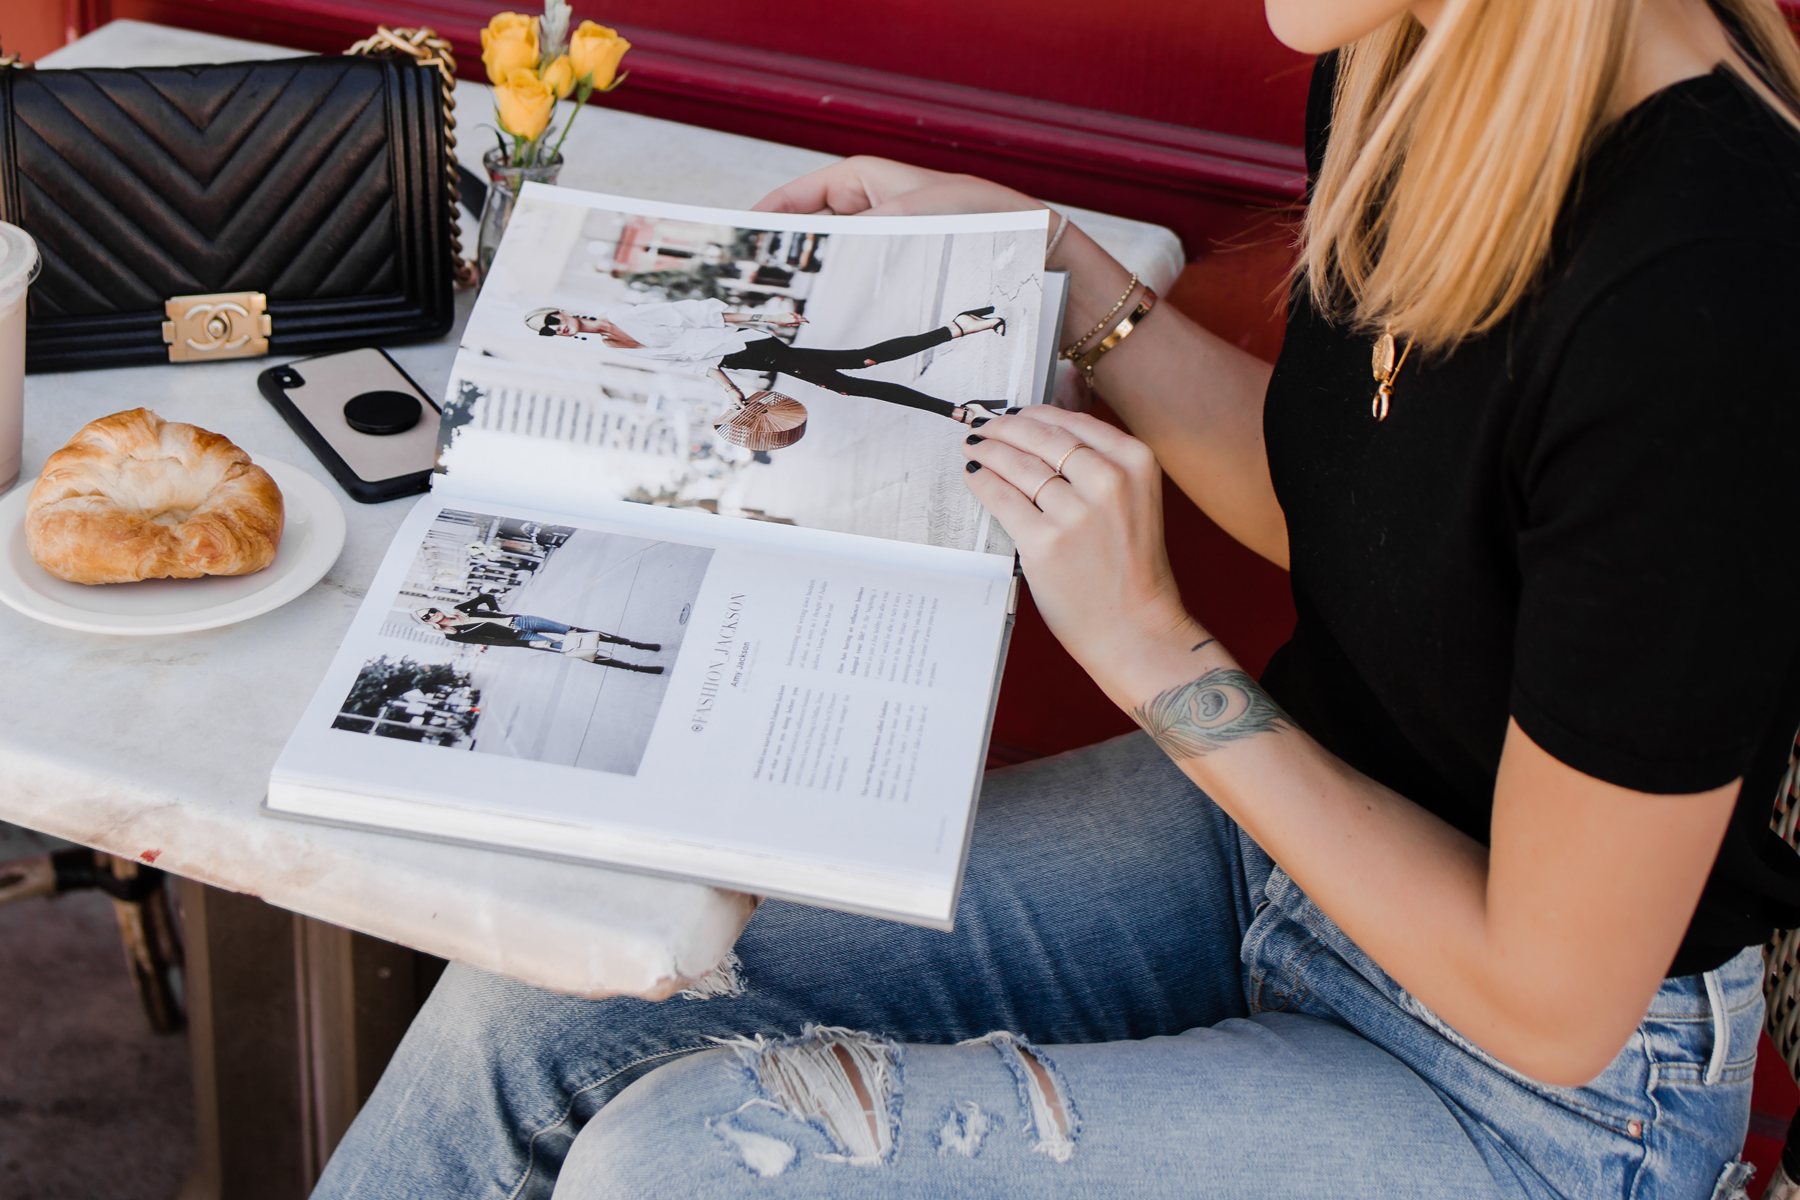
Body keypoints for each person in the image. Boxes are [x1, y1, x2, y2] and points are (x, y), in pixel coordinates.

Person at [315, 0, 1800, 1196]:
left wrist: (1159, 656)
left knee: (685, 1172)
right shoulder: (1416, 56)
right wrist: (1055, 267)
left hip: (1534, 1100)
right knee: (556, 985)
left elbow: (1553, 998)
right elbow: (1365, 524)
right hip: (1283, 849)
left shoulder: (1708, 298)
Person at [524, 298, 1016, 424]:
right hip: (738, 361)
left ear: (563, 309)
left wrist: (771, 316)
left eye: (552, 318)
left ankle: (958, 332)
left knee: (856, 368)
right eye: (549, 331)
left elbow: (702, 314)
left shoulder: (624, 316)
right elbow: (690, 361)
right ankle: (959, 405)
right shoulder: (612, 346)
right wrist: (731, 392)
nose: (556, 327)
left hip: (750, 344)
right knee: (852, 378)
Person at [413, 593, 664, 675]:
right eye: (426, 617)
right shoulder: (453, 634)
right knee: (575, 650)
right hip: (522, 638)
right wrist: (525, 643)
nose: (432, 615)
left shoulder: (459, 611)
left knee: (579, 632)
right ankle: (638, 668)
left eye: (431, 611)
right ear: (427, 623)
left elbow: (487, 597)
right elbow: (489, 640)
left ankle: (636, 645)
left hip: (522, 620)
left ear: (437, 609)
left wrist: (499, 614)